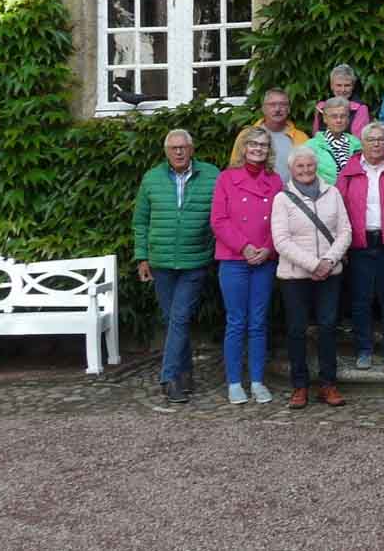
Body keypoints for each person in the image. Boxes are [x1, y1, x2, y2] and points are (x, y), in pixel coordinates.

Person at [132, 129, 219, 404]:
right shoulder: (152, 178)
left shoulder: (212, 175)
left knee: (179, 318)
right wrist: (142, 257)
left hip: (195, 260)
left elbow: (221, 214)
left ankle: (169, 378)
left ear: (192, 149)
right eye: (173, 148)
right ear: (166, 151)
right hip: (161, 262)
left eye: (183, 147)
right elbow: (141, 222)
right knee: (173, 320)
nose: (179, 152)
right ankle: (185, 372)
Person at [271, 146, 353, 409]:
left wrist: (328, 261)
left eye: (309, 166)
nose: (305, 170)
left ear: (315, 167)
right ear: (291, 170)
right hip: (295, 276)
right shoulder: (282, 199)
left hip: (330, 273)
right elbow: (281, 241)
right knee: (297, 330)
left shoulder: (333, 193)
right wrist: (314, 265)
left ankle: (328, 384)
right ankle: (299, 386)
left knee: (328, 328)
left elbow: (345, 231)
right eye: (299, 167)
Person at [211, 126, 283, 405]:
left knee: (258, 322)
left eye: (263, 145)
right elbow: (219, 220)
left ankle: (256, 380)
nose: (258, 149)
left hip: (264, 260)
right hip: (234, 259)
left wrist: (268, 248)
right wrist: (244, 246)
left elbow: (281, 220)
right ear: (243, 147)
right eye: (252, 144)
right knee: (236, 321)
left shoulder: (275, 181)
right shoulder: (227, 178)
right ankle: (233, 382)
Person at [335, 122, 384, 370]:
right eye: (371, 139)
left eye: (381, 139)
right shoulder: (349, 172)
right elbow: (339, 210)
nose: (376, 144)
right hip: (360, 243)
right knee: (360, 300)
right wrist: (342, 246)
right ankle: (364, 350)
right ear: (362, 143)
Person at [233, 88, 309, 177]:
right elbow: (235, 168)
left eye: (283, 104)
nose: (277, 109)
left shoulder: (302, 138)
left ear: (288, 109)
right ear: (263, 109)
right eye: (272, 105)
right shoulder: (246, 135)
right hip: (253, 190)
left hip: (292, 191)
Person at [306, 97, 363, 184]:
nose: (339, 120)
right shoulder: (311, 146)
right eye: (334, 116)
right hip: (324, 195)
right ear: (325, 118)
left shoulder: (357, 145)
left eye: (343, 116)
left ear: (348, 119)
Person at [311, 63, 370, 138]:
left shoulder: (360, 108)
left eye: (347, 85)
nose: (343, 90)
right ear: (331, 86)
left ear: (353, 86)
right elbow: (315, 136)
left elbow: (358, 141)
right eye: (339, 85)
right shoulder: (321, 107)